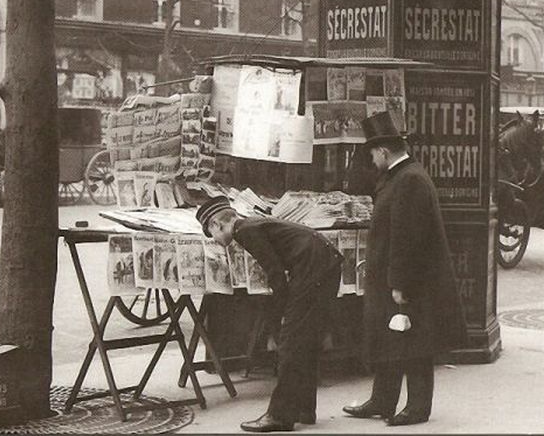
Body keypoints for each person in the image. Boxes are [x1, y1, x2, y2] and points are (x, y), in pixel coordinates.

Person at [343, 111, 467, 427]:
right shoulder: (401, 176)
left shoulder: (409, 180)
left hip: (409, 280)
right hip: (393, 277)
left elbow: (407, 237)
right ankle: (383, 400)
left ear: (384, 151)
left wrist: (400, 283)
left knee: (414, 343)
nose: (371, 160)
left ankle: (417, 407)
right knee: (391, 338)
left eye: (372, 153)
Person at [196, 196, 342, 433]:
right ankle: (305, 409)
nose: (215, 240)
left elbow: (275, 273)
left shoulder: (244, 231)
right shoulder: (251, 225)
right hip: (323, 264)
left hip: (313, 268)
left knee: (291, 343)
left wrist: (283, 313)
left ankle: (280, 415)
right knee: (304, 341)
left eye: (211, 233)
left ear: (216, 225)